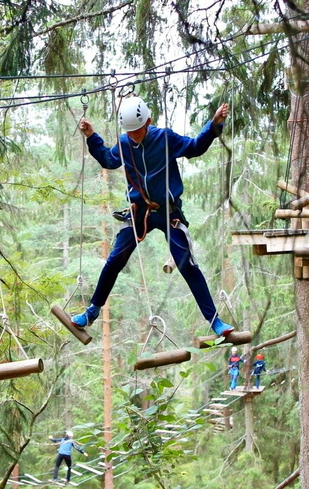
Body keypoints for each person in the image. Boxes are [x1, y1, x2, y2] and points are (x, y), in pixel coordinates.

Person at [71, 96, 234, 338]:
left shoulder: (164, 138)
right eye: (130, 132)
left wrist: (214, 124)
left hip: (169, 213)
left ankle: (214, 321)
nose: (134, 135)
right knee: (115, 259)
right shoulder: (125, 143)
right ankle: (92, 311)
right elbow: (107, 159)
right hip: (139, 212)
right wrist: (92, 137)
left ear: (148, 121)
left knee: (186, 264)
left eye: (138, 130)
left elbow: (195, 147)